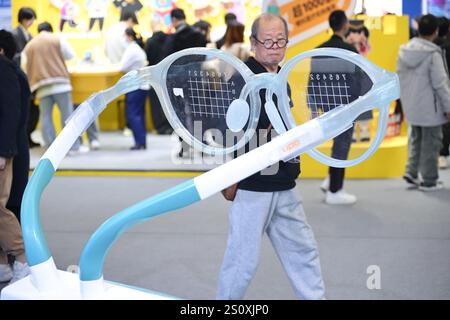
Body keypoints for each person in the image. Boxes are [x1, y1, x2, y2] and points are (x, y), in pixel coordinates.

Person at [217, 13, 325, 300]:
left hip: (285, 181)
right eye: (268, 41)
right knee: (242, 262)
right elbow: (230, 132)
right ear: (253, 43)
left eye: (281, 40)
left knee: (303, 251)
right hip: (254, 185)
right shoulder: (241, 80)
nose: (275, 46)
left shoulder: (280, 77)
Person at [397, 14, 450, 191]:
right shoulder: (432, 54)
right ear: (435, 31)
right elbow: (440, 84)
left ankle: (411, 172)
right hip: (430, 108)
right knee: (432, 142)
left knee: (416, 140)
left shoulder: (404, 51)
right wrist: (448, 106)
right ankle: (429, 180)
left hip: (411, 105)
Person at [22, 22, 87, 153]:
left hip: (41, 86)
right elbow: (70, 55)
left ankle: (51, 148)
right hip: (61, 84)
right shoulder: (57, 39)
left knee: (45, 117)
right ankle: (72, 147)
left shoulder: (30, 45)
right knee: (68, 116)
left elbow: (24, 64)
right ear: (50, 30)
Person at [317, 10, 358, 205]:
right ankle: (335, 190)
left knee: (337, 144)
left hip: (327, 106)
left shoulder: (320, 50)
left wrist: (314, 105)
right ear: (345, 25)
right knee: (342, 146)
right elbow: (358, 80)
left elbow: (313, 82)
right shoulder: (350, 50)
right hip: (347, 106)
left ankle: (330, 181)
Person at [0, 29, 31, 284]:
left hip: (5, 150)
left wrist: (3, 151)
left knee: (2, 207)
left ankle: (21, 259)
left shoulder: (5, 70)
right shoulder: (11, 70)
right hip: (10, 148)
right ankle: (4, 264)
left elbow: (11, 114)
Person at [162, 8, 207, 157]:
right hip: (196, 79)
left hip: (178, 82)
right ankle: (202, 145)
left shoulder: (173, 38)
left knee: (179, 113)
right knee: (199, 113)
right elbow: (202, 58)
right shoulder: (199, 35)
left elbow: (167, 61)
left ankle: (184, 146)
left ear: (174, 20)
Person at [12, 7, 40, 149]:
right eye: (30, 19)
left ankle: (28, 136)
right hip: (20, 78)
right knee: (25, 110)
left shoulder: (28, 35)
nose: (32, 22)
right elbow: (15, 56)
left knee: (32, 110)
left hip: (30, 77)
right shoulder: (15, 34)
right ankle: (24, 138)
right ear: (23, 19)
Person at [119, 27, 148, 150]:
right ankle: (141, 141)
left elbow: (122, 67)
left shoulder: (131, 49)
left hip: (135, 86)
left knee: (133, 114)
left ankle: (139, 142)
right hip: (142, 85)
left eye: (124, 36)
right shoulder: (138, 49)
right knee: (140, 114)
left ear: (129, 36)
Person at [144, 18, 172, 135]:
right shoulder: (169, 39)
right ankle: (169, 125)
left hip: (154, 75)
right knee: (169, 100)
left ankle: (159, 127)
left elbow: (147, 58)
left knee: (155, 102)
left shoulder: (150, 41)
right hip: (168, 74)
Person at [434, 17, 450, 169]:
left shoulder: (430, 48)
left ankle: (441, 154)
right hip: (444, 87)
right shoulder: (442, 48)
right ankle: (442, 154)